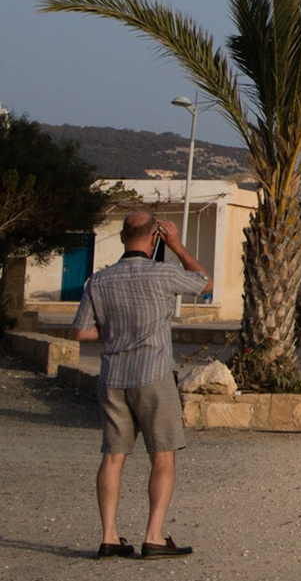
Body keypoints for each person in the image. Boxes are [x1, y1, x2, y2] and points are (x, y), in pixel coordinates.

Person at [70, 209, 209, 560]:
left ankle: (109, 537)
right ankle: (154, 536)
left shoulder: (98, 281)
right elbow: (203, 282)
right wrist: (177, 245)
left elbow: (81, 331)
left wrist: (115, 332)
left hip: (113, 378)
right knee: (162, 457)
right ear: (154, 238)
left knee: (113, 458)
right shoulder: (162, 272)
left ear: (121, 238)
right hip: (153, 374)